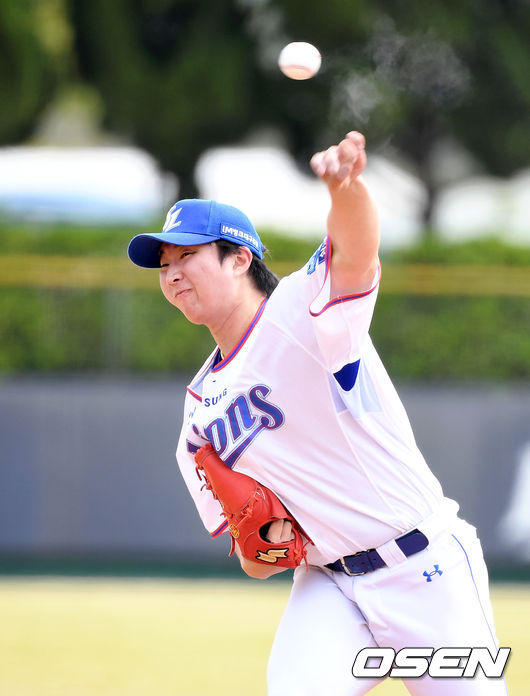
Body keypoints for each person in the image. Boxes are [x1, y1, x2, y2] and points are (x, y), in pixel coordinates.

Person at [127, 132, 507, 695]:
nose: (173, 273)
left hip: (424, 566)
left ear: (239, 259)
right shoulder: (197, 420)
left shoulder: (303, 311)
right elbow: (256, 562)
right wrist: (268, 543)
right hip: (329, 586)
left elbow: (355, 252)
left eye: (188, 255)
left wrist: (346, 190)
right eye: (164, 264)